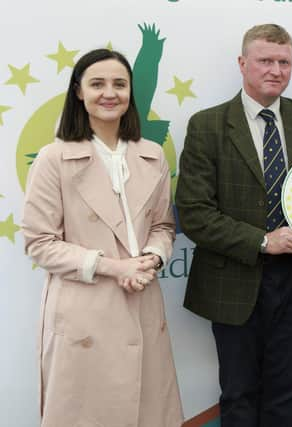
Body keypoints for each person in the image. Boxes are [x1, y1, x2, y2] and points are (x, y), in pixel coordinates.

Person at [175, 24, 292, 426]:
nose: (275, 70)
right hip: (233, 280)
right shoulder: (207, 125)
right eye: (265, 61)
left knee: (285, 394)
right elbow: (193, 212)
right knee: (239, 394)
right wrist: (263, 241)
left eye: (284, 62)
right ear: (243, 64)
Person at [22, 49, 183, 427]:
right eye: (97, 84)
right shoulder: (53, 158)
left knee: (148, 413)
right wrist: (113, 267)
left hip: (142, 302)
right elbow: (40, 242)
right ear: (79, 92)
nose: (109, 93)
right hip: (84, 309)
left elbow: (163, 226)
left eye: (119, 84)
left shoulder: (152, 155)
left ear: (130, 93)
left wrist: (152, 258)